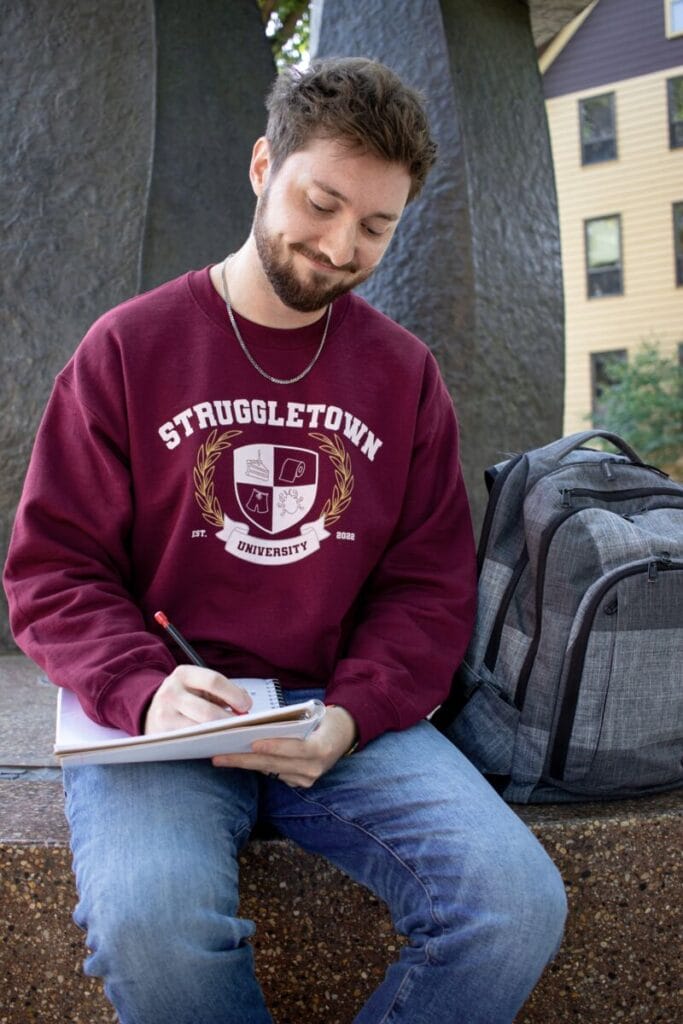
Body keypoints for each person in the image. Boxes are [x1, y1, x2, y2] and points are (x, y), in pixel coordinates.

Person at [4, 57, 566, 1024]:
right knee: (151, 927)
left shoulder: (403, 376)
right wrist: (144, 688)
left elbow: (426, 588)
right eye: (321, 203)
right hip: (161, 714)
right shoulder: (127, 348)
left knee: (514, 905)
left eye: (376, 226)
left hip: (333, 712)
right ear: (264, 165)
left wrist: (352, 712)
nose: (341, 246)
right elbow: (53, 570)